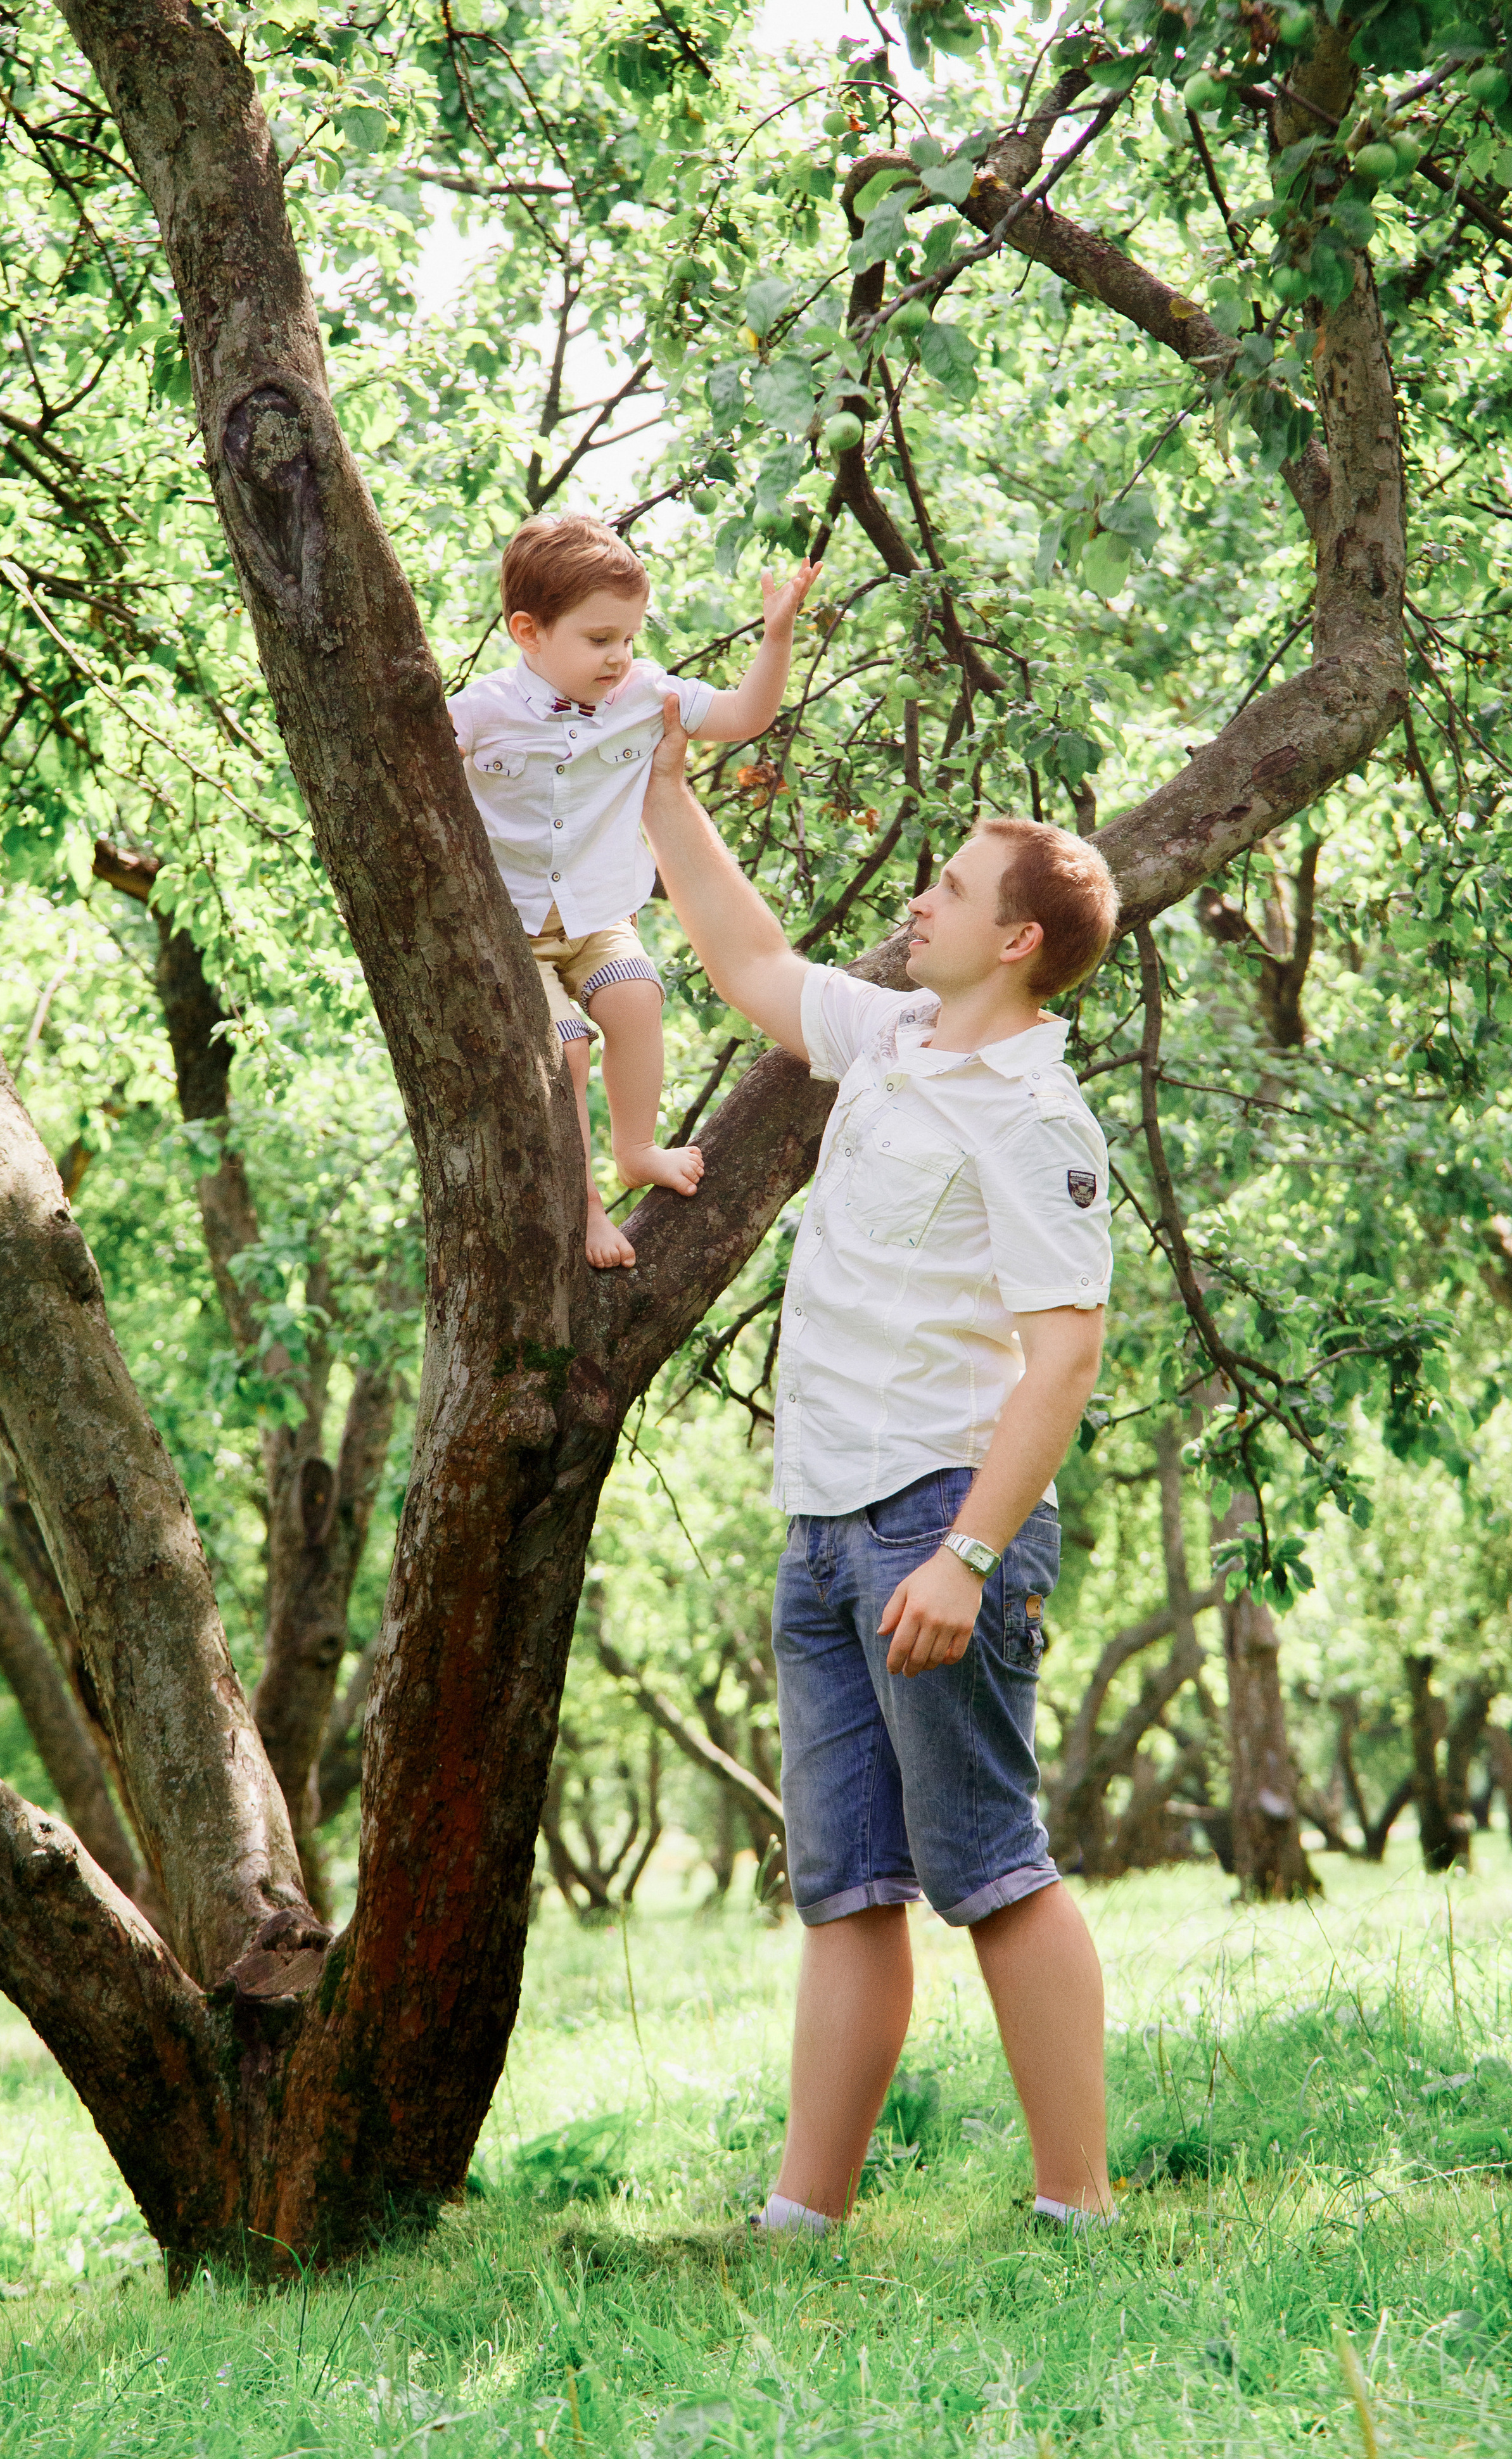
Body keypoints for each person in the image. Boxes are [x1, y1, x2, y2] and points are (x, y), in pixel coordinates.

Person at [640, 701, 1121, 2234]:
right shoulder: (901, 1038)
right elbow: (751, 964)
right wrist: (662, 793)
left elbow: (1060, 1362)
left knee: (989, 1866)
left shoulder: (1040, 1118)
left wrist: (966, 1555)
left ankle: (1077, 2201)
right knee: (843, 1884)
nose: (921, 899)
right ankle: (804, 2215)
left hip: (936, 1519)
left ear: (1021, 941)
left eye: (954, 890)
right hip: (824, 1519)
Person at [448, 515, 818, 1269]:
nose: (619, 657)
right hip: (508, 929)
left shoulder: (648, 694)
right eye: (598, 640)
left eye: (628, 637)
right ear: (528, 632)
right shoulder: (482, 711)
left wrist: (776, 637)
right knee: (569, 1047)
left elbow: (748, 716)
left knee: (636, 997)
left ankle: (637, 1147)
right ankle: (585, 1207)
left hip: (595, 914)